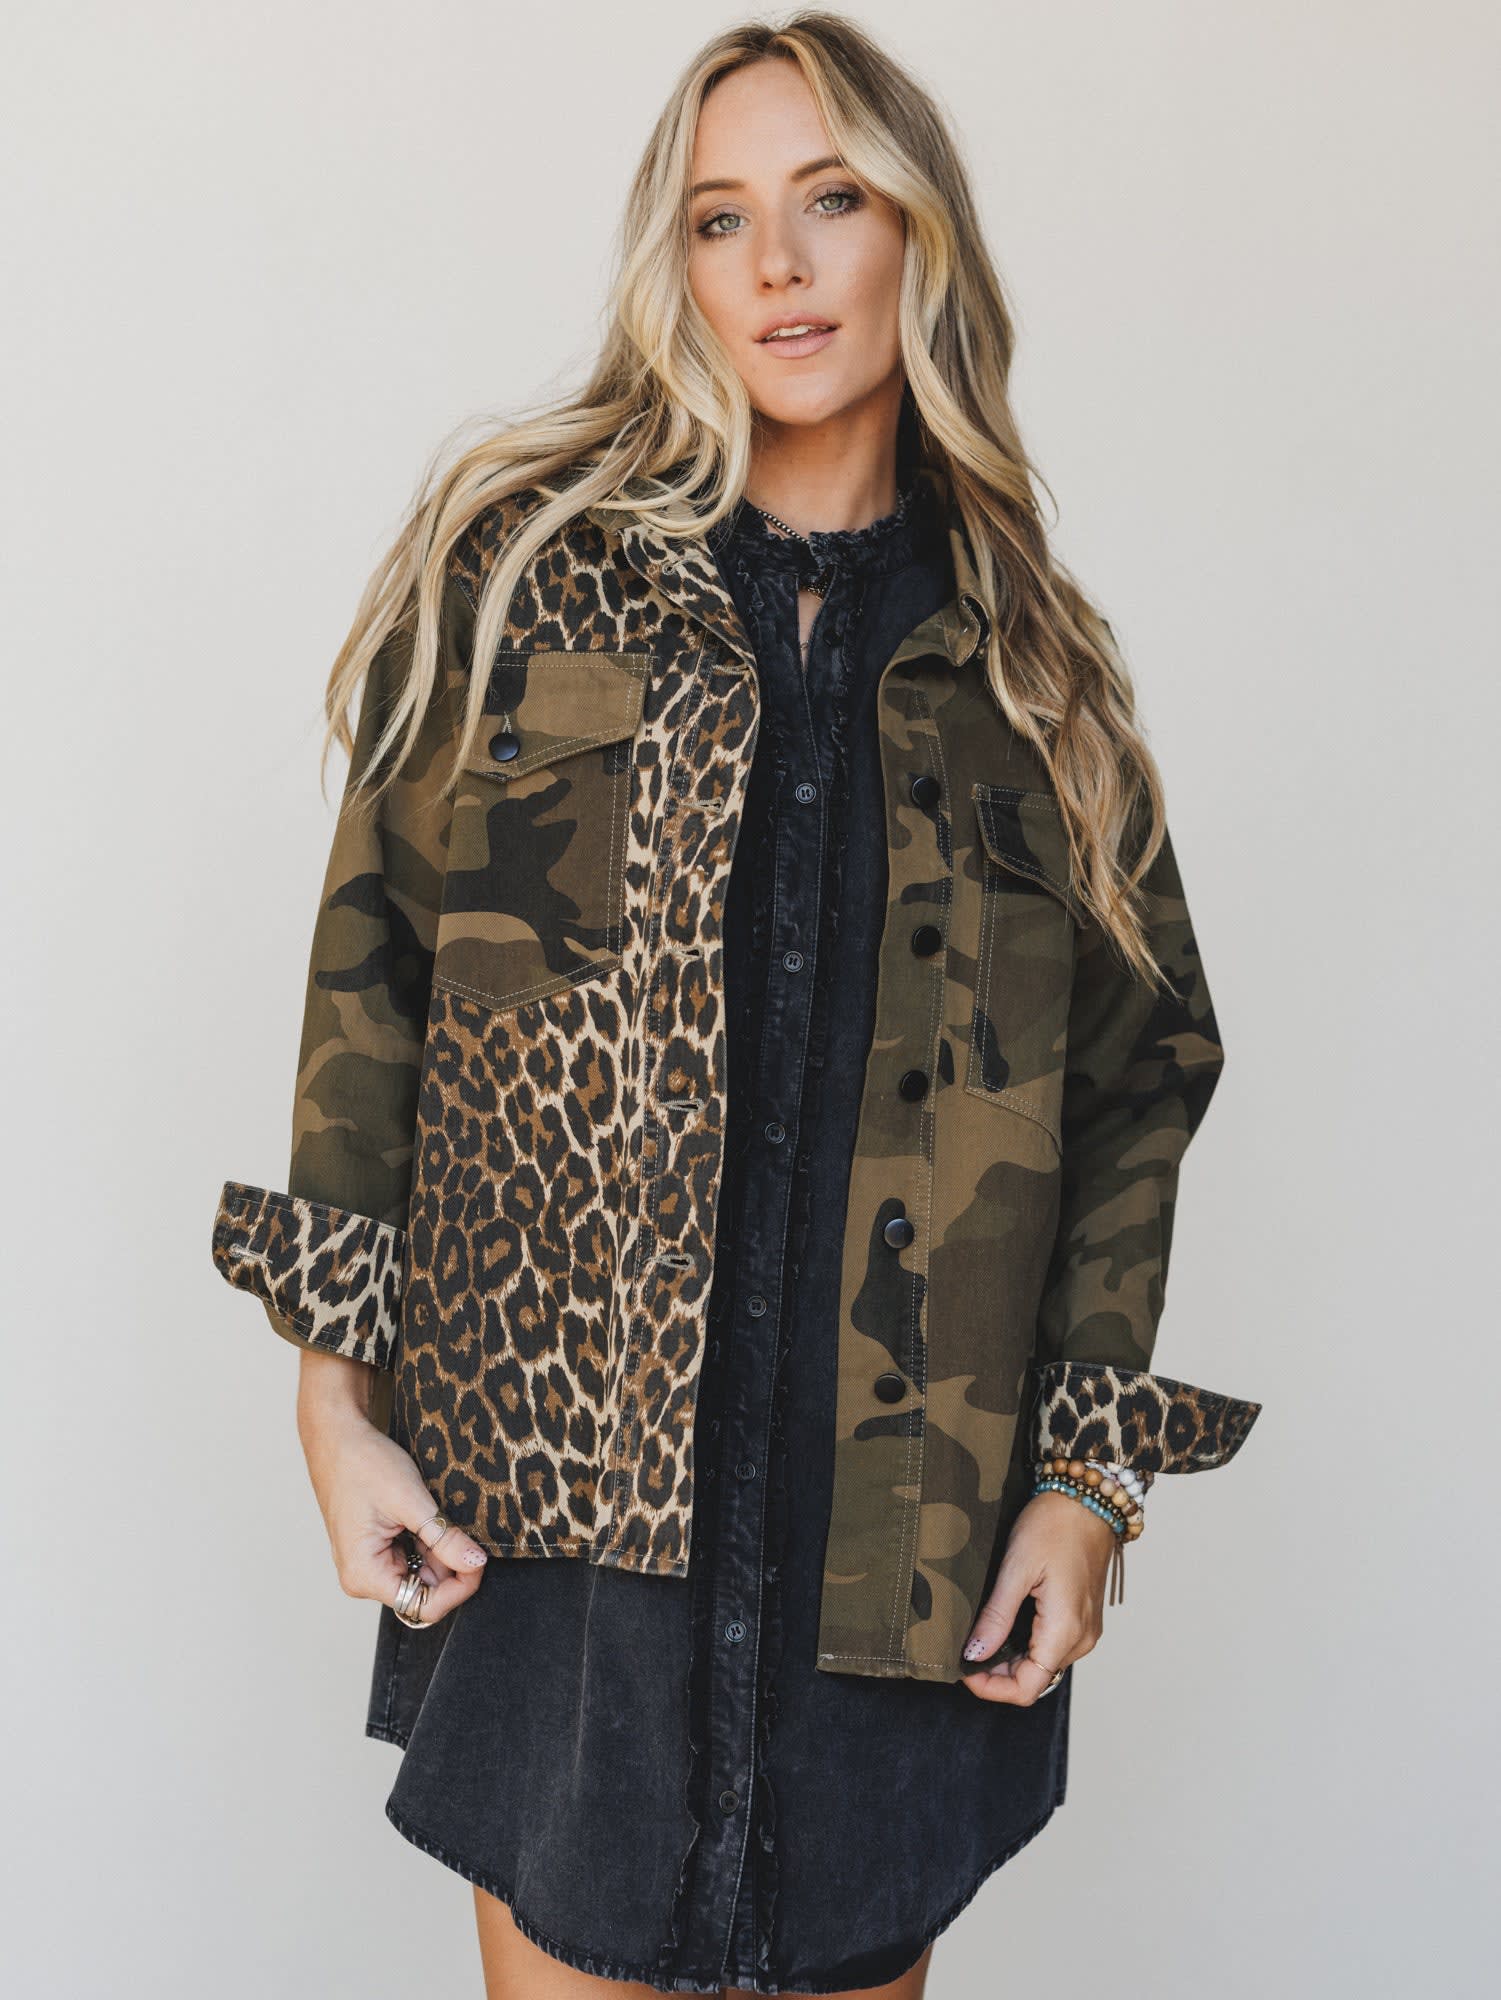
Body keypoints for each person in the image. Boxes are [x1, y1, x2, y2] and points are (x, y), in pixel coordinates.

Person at [208, 14, 1263, 1998]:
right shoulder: (523, 582)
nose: (774, 264)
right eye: (718, 218)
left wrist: (1081, 1478)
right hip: (563, 1544)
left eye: (828, 199)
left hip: (894, 1551)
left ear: (916, 235)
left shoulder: (1031, 673)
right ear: (672, 264)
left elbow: (1137, 1077)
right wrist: (330, 1402)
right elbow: (372, 980)